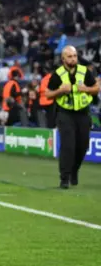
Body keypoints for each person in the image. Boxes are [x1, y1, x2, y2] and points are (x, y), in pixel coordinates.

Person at [45, 45, 99, 189]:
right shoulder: (57, 74)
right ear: (63, 59)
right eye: (70, 56)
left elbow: (96, 89)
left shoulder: (84, 71)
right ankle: (64, 178)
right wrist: (60, 90)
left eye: (75, 56)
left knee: (83, 146)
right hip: (65, 113)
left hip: (83, 113)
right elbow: (47, 94)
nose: (73, 59)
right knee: (68, 146)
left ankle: (74, 170)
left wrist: (86, 89)